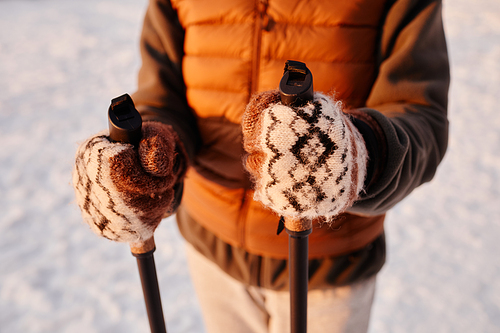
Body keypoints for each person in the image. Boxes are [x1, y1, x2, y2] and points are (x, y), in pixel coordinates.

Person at [73, 0, 449, 332]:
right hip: (212, 252)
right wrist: (148, 162)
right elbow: (162, 91)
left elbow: (420, 113)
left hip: (326, 270)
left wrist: (358, 152)